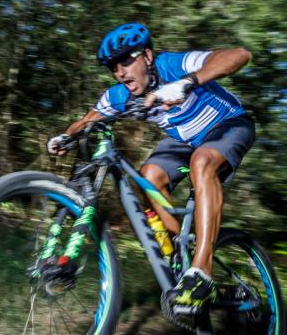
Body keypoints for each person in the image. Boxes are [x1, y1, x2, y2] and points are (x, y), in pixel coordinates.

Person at [47, 22, 254, 319]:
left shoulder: (173, 65)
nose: (120, 71)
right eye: (113, 66)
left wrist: (188, 82)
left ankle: (201, 271)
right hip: (184, 139)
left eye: (126, 60)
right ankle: (177, 257)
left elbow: (238, 54)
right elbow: (89, 118)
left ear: (146, 55)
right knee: (149, 176)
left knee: (202, 162)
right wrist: (65, 137)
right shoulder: (121, 94)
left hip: (229, 124)